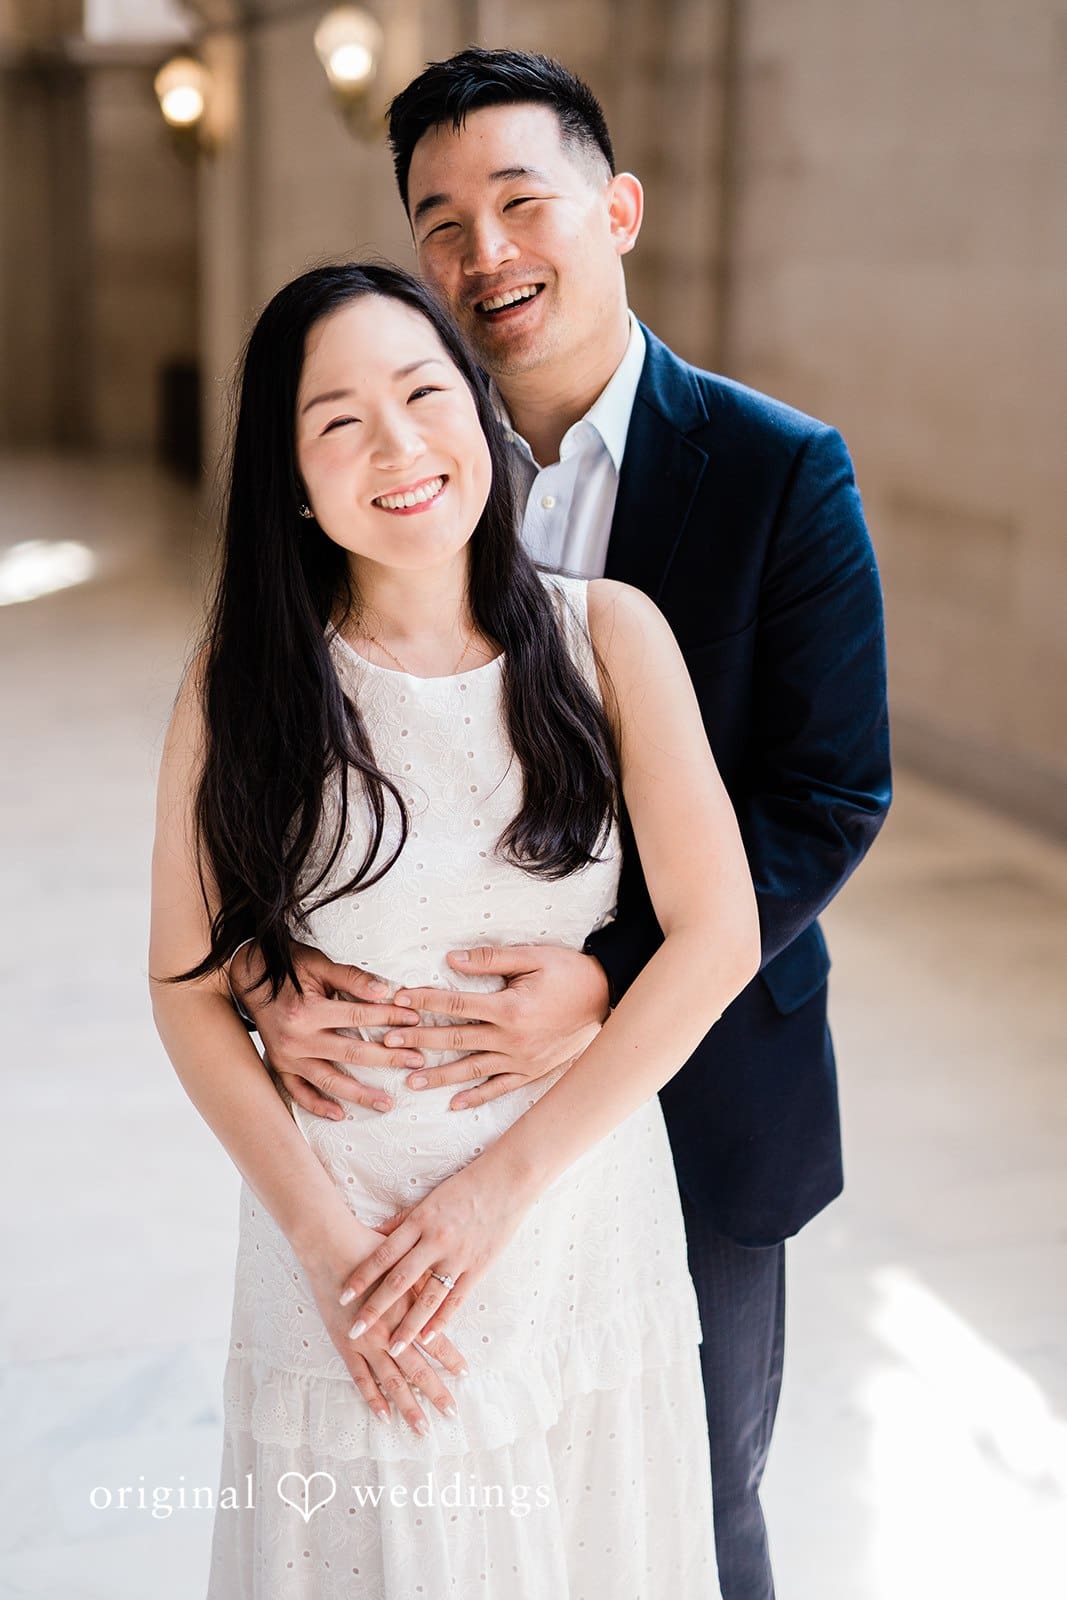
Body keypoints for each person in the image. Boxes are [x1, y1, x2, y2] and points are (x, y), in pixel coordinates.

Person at [233, 49, 893, 1599]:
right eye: (441, 222)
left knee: (686, 1482)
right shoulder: (396, 472)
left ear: (619, 208)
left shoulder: (784, 474)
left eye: (522, 202)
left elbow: (829, 790)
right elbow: (294, 782)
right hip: (424, 1107)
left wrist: (609, 976)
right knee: (453, 1488)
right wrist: (270, 978)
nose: (486, 253)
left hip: (708, 1069)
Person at [150, 260, 760, 1595]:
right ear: (292, 482)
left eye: (426, 393)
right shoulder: (245, 678)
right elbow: (185, 986)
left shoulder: (610, 636)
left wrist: (496, 1192)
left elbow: (716, 934)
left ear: (480, 414)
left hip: (572, 1219)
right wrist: (324, 1245)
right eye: (340, 422)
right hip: (351, 1255)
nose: (401, 445)